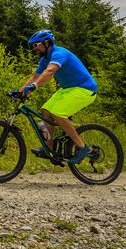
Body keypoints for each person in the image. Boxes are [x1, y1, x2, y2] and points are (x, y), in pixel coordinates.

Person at [19, 29, 98, 164]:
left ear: (47, 43)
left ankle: (82, 147)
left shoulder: (59, 53)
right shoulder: (45, 58)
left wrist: (35, 86)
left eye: (36, 45)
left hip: (84, 89)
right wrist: (20, 91)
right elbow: (35, 77)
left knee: (57, 113)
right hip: (68, 89)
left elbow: (50, 71)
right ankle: (48, 149)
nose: (34, 48)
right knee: (45, 112)